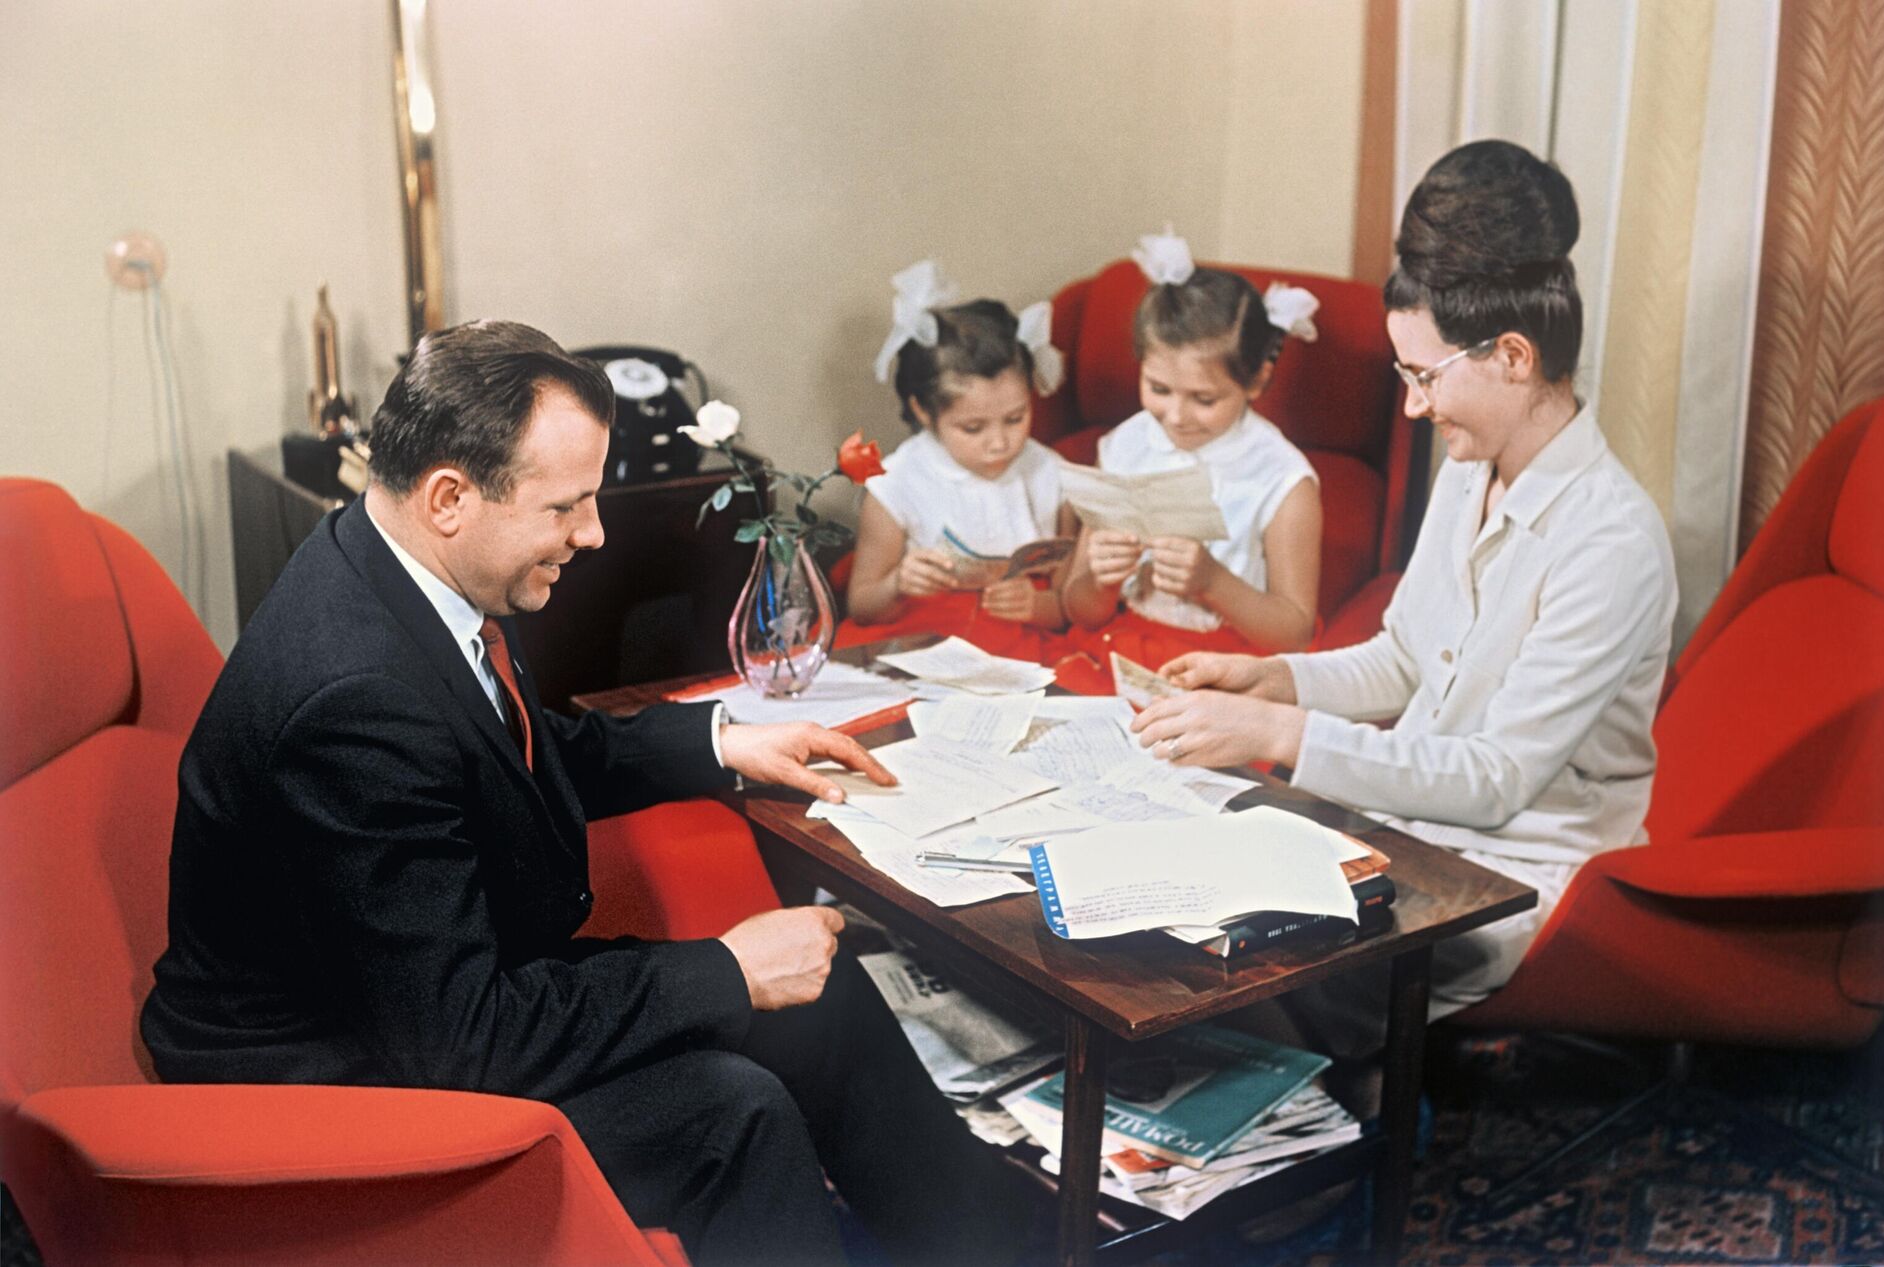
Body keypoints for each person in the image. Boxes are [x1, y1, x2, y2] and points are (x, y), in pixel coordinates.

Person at [140, 320, 1031, 1266]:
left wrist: (725, 740)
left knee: (821, 1000)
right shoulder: (352, 702)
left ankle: (996, 1252)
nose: (593, 533)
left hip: (427, 1000)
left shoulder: (401, 567)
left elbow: (504, 752)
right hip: (345, 1094)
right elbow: (461, 1042)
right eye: (566, 506)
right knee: (733, 1113)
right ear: (450, 497)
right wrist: (728, 969)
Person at [1130, 141, 1678, 1054]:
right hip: (1414, 824)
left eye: (1424, 378)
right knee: (1182, 881)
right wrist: (1271, 679)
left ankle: (1337, 1132)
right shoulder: (1473, 465)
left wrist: (1284, 736)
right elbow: (1404, 657)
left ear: (1512, 355)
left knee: (1239, 955)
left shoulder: (1611, 540)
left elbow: (1499, 780)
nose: (1415, 407)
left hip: (1515, 867)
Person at [1059, 229, 1325, 676]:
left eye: (1204, 400)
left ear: (1257, 381)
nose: (1176, 416)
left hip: (1225, 666)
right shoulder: (1126, 446)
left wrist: (1213, 584)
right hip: (1120, 651)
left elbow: (1295, 631)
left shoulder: (1283, 480)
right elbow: (1078, 606)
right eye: (1158, 389)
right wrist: (1103, 582)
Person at [841, 260, 1072, 662]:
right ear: (924, 412)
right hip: (923, 638)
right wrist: (899, 582)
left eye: (1016, 419)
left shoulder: (1051, 473)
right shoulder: (897, 483)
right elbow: (862, 605)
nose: (1000, 442)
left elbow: (1071, 605)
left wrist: (1039, 606)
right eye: (972, 428)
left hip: (1021, 642)